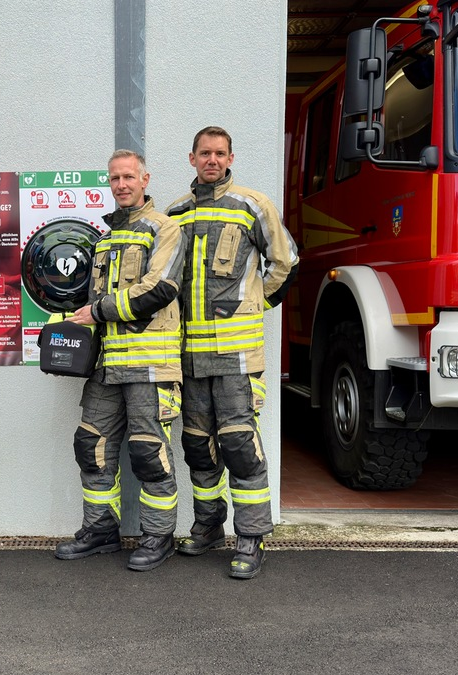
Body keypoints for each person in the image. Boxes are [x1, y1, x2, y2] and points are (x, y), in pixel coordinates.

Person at [165, 126, 299, 579]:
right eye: (205, 153)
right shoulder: (175, 214)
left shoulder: (252, 205)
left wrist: (256, 304)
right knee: (197, 447)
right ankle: (208, 527)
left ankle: (251, 536)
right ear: (191, 158)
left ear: (230, 157)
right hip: (187, 356)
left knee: (240, 445)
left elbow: (286, 262)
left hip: (237, 355)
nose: (212, 160)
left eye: (220, 153)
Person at [55, 150, 186, 572]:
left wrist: (98, 311)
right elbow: (92, 299)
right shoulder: (105, 238)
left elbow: (160, 288)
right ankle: (100, 531)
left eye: (129, 176)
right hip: (106, 365)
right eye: (114, 178)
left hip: (150, 365)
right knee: (90, 447)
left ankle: (158, 535)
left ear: (146, 178)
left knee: (149, 452)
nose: (121, 184)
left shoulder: (165, 228)